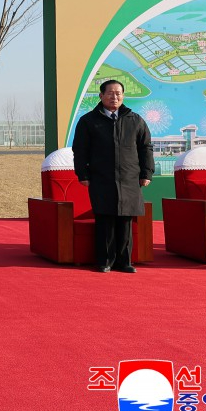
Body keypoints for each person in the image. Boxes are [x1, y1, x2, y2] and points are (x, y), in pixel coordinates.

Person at [72, 79, 153, 273]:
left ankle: (124, 262)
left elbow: (146, 148)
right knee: (105, 219)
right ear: (101, 96)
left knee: (125, 220)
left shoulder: (135, 120)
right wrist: (82, 173)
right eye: (110, 93)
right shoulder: (88, 121)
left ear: (123, 96)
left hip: (129, 178)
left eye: (118, 93)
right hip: (102, 177)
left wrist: (146, 173)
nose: (114, 97)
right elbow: (80, 150)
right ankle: (105, 261)